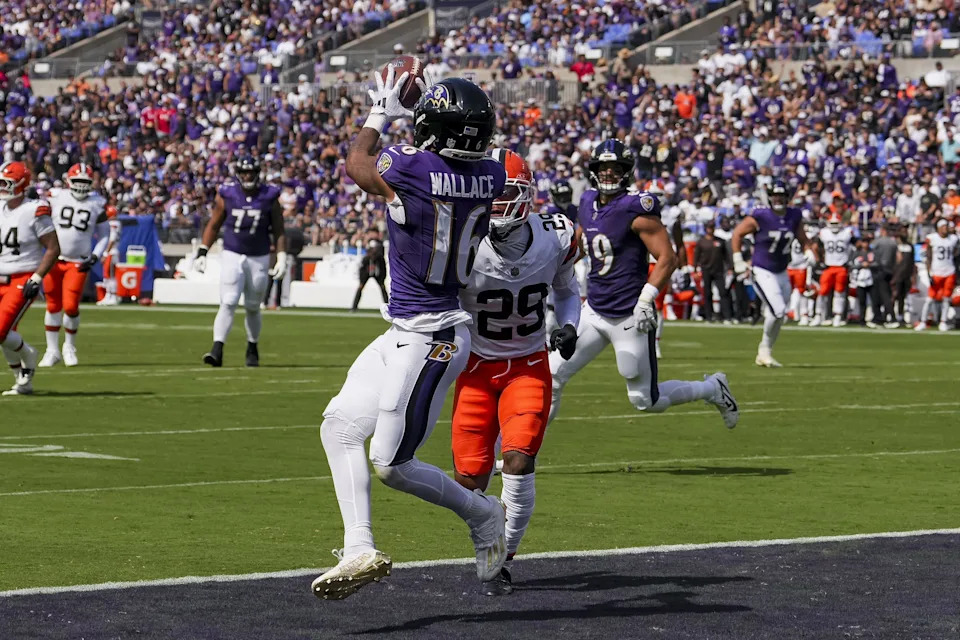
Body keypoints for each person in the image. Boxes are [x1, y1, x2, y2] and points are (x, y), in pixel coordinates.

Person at [313, 73, 509, 601]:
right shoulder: (491, 175)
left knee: (391, 465)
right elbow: (461, 158)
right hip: (410, 327)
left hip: (433, 335)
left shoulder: (414, 167)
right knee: (340, 426)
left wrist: (380, 112)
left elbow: (357, 163)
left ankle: (485, 514)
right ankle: (358, 547)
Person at [452, 149, 580, 596]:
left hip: (528, 365)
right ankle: (487, 536)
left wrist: (568, 325)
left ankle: (503, 558)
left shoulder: (556, 236)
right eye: (489, 193)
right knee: (468, 478)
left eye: (503, 192)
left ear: (526, 196)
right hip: (474, 368)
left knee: (519, 460)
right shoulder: (459, 239)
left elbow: (567, 291)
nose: (495, 202)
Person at [549, 140, 739, 428]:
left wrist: (646, 299)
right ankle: (521, 455)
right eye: (604, 168)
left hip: (629, 314)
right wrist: (552, 270)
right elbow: (582, 243)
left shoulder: (635, 208)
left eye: (616, 169)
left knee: (643, 400)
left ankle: (712, 388)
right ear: (594, 171)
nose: (609, 174)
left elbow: (667, 257)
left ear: (627, 172)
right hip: (594, 310)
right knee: (551, 376)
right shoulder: (587, 202)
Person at [193, 155, 286, 367]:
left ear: (257, 173)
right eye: (244, 172)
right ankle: (217, 349)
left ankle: (252, 347)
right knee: (228, 300)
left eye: (251, 172)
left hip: (259, 255)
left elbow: (279, 229)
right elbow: (214, 224)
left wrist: (281, 256)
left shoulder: (269, 195)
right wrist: (202, 250)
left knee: (253, 306)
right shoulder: (228, 193)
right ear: (238, 174)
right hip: (232, 253)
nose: (247, 176)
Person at [38, 164, 116, 367]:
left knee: (71, 306)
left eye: (85, 182)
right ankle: (52, 350)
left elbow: (105, 233)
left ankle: (69, 347)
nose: (81, 186)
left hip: (78, 261)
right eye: (78, 181)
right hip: (53, 260)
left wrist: (96, 255)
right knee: (53, 305)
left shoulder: (97, 203)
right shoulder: (55, 196)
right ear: (68, 181)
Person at [731, 180, 814, 367]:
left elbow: (803, 238)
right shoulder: (761, 216)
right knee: (778, 311)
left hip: (781, 271)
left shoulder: (794, 215)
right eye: (775, 196)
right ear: (770, 197)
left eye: (782, 196)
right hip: (762, 270)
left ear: (787, 197)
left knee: (778, 314)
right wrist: (737, 259)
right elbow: (737, 234)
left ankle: (765, 352)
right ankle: (764, 350)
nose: (778, 199)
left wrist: (809, 250)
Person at [0, 162, 60, 396]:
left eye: (6, 184)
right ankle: (22, 381)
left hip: (22, 276)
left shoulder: (35, 210)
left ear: (21, 185)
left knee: (1, 331)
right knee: (5, 334)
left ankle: (28, 354)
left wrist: (36, 277)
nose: (2, 188)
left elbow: (53, 248)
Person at [811, 213, 853, 327]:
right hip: (828, 266)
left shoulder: (847, 233)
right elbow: (816, 246)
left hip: (841, 267)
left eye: (836, 223)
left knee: (839, 293)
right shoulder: (824, 233)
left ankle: (837, 316)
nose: (834, 226)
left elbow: (856, 244)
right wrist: (818, 258)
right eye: (832, 223)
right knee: (822, 292)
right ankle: (819, 315)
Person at [915, 219, 958, 331]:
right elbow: (928, 255)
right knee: (930, 299)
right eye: (943, 226)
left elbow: (956, 254)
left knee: (946, 299)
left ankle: (943, 321)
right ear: (938, 228)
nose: (946, 228)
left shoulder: (953, 238)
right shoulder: (932, 238)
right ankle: (923, 321)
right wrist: (929, 272)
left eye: (946, 226)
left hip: (949, 271)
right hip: (936, 272)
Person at [694, 220, 732, 323]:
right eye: (709, 227)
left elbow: (726, 256)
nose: (711, 229)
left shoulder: (720, 241)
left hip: (719, 270)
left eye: (712, 227)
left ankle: (727, 317)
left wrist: (729, 268)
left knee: (723, 293)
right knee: (707, 293)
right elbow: (696, 257)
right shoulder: (701, 242)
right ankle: (709, 317)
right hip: (706, 269)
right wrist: (695, 269)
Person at [350, 236, 388, 311]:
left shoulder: (380, 259)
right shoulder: (366, 259)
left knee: (383, 288)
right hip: (366, 274)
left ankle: (388, 306)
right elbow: (361, 270)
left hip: (378, 274)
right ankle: (354, 307)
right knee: (360, 288)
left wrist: (382, 279)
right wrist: (362, 280)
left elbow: (383, 270)